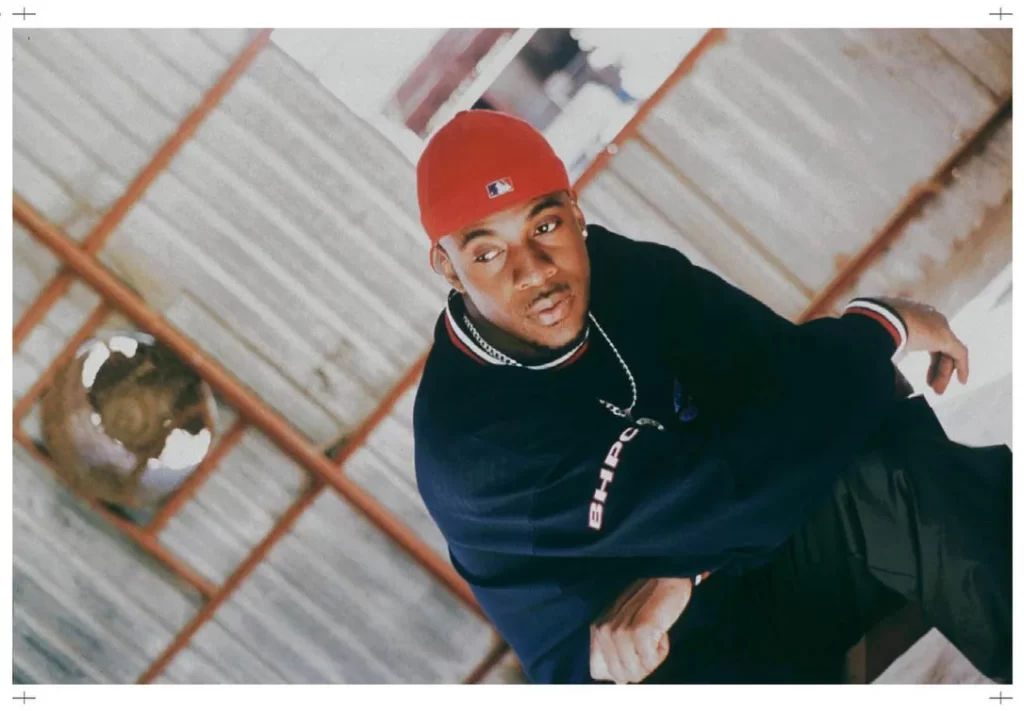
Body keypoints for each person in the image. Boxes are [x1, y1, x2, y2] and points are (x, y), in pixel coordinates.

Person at [411, 109, 1012, 684]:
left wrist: (686, 566)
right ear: (446, 265)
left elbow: (784, 372)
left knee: (881, 452)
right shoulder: (473, 448)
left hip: (750, 562)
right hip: (656, 666)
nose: (535, 271)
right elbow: (726, 491)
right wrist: (881, 329)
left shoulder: (623, 273)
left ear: (574, 210)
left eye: (545, 227)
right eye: (488, 253)